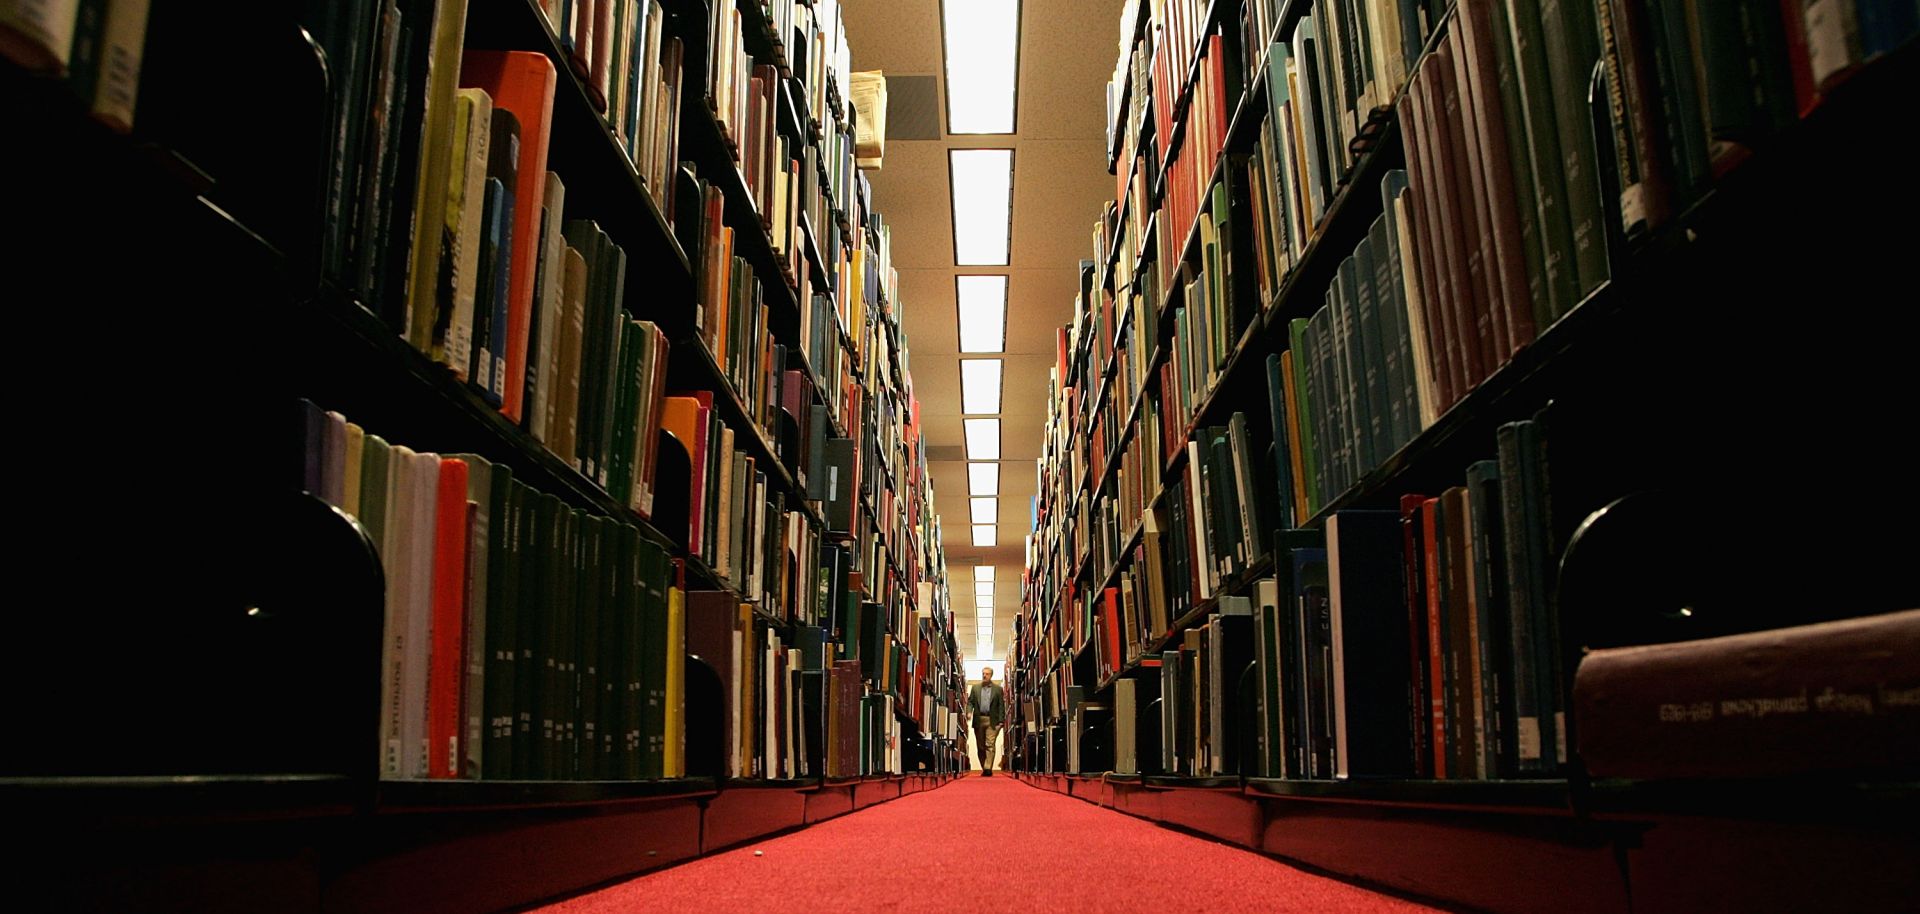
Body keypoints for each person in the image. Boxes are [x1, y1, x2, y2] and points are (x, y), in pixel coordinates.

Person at [967, 667, 1007, 776]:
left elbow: (1001, 706)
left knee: (990, 744)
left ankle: (988, 767)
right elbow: (970, 702)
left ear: (991, 675)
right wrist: (969, 712)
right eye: (983, 673)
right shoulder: (975, 688)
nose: (984, 675)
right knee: (980, 746)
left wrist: (1001, 721)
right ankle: (984, 767)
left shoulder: (998, 689)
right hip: (979, 719)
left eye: (987, 674)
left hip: (992, 720)